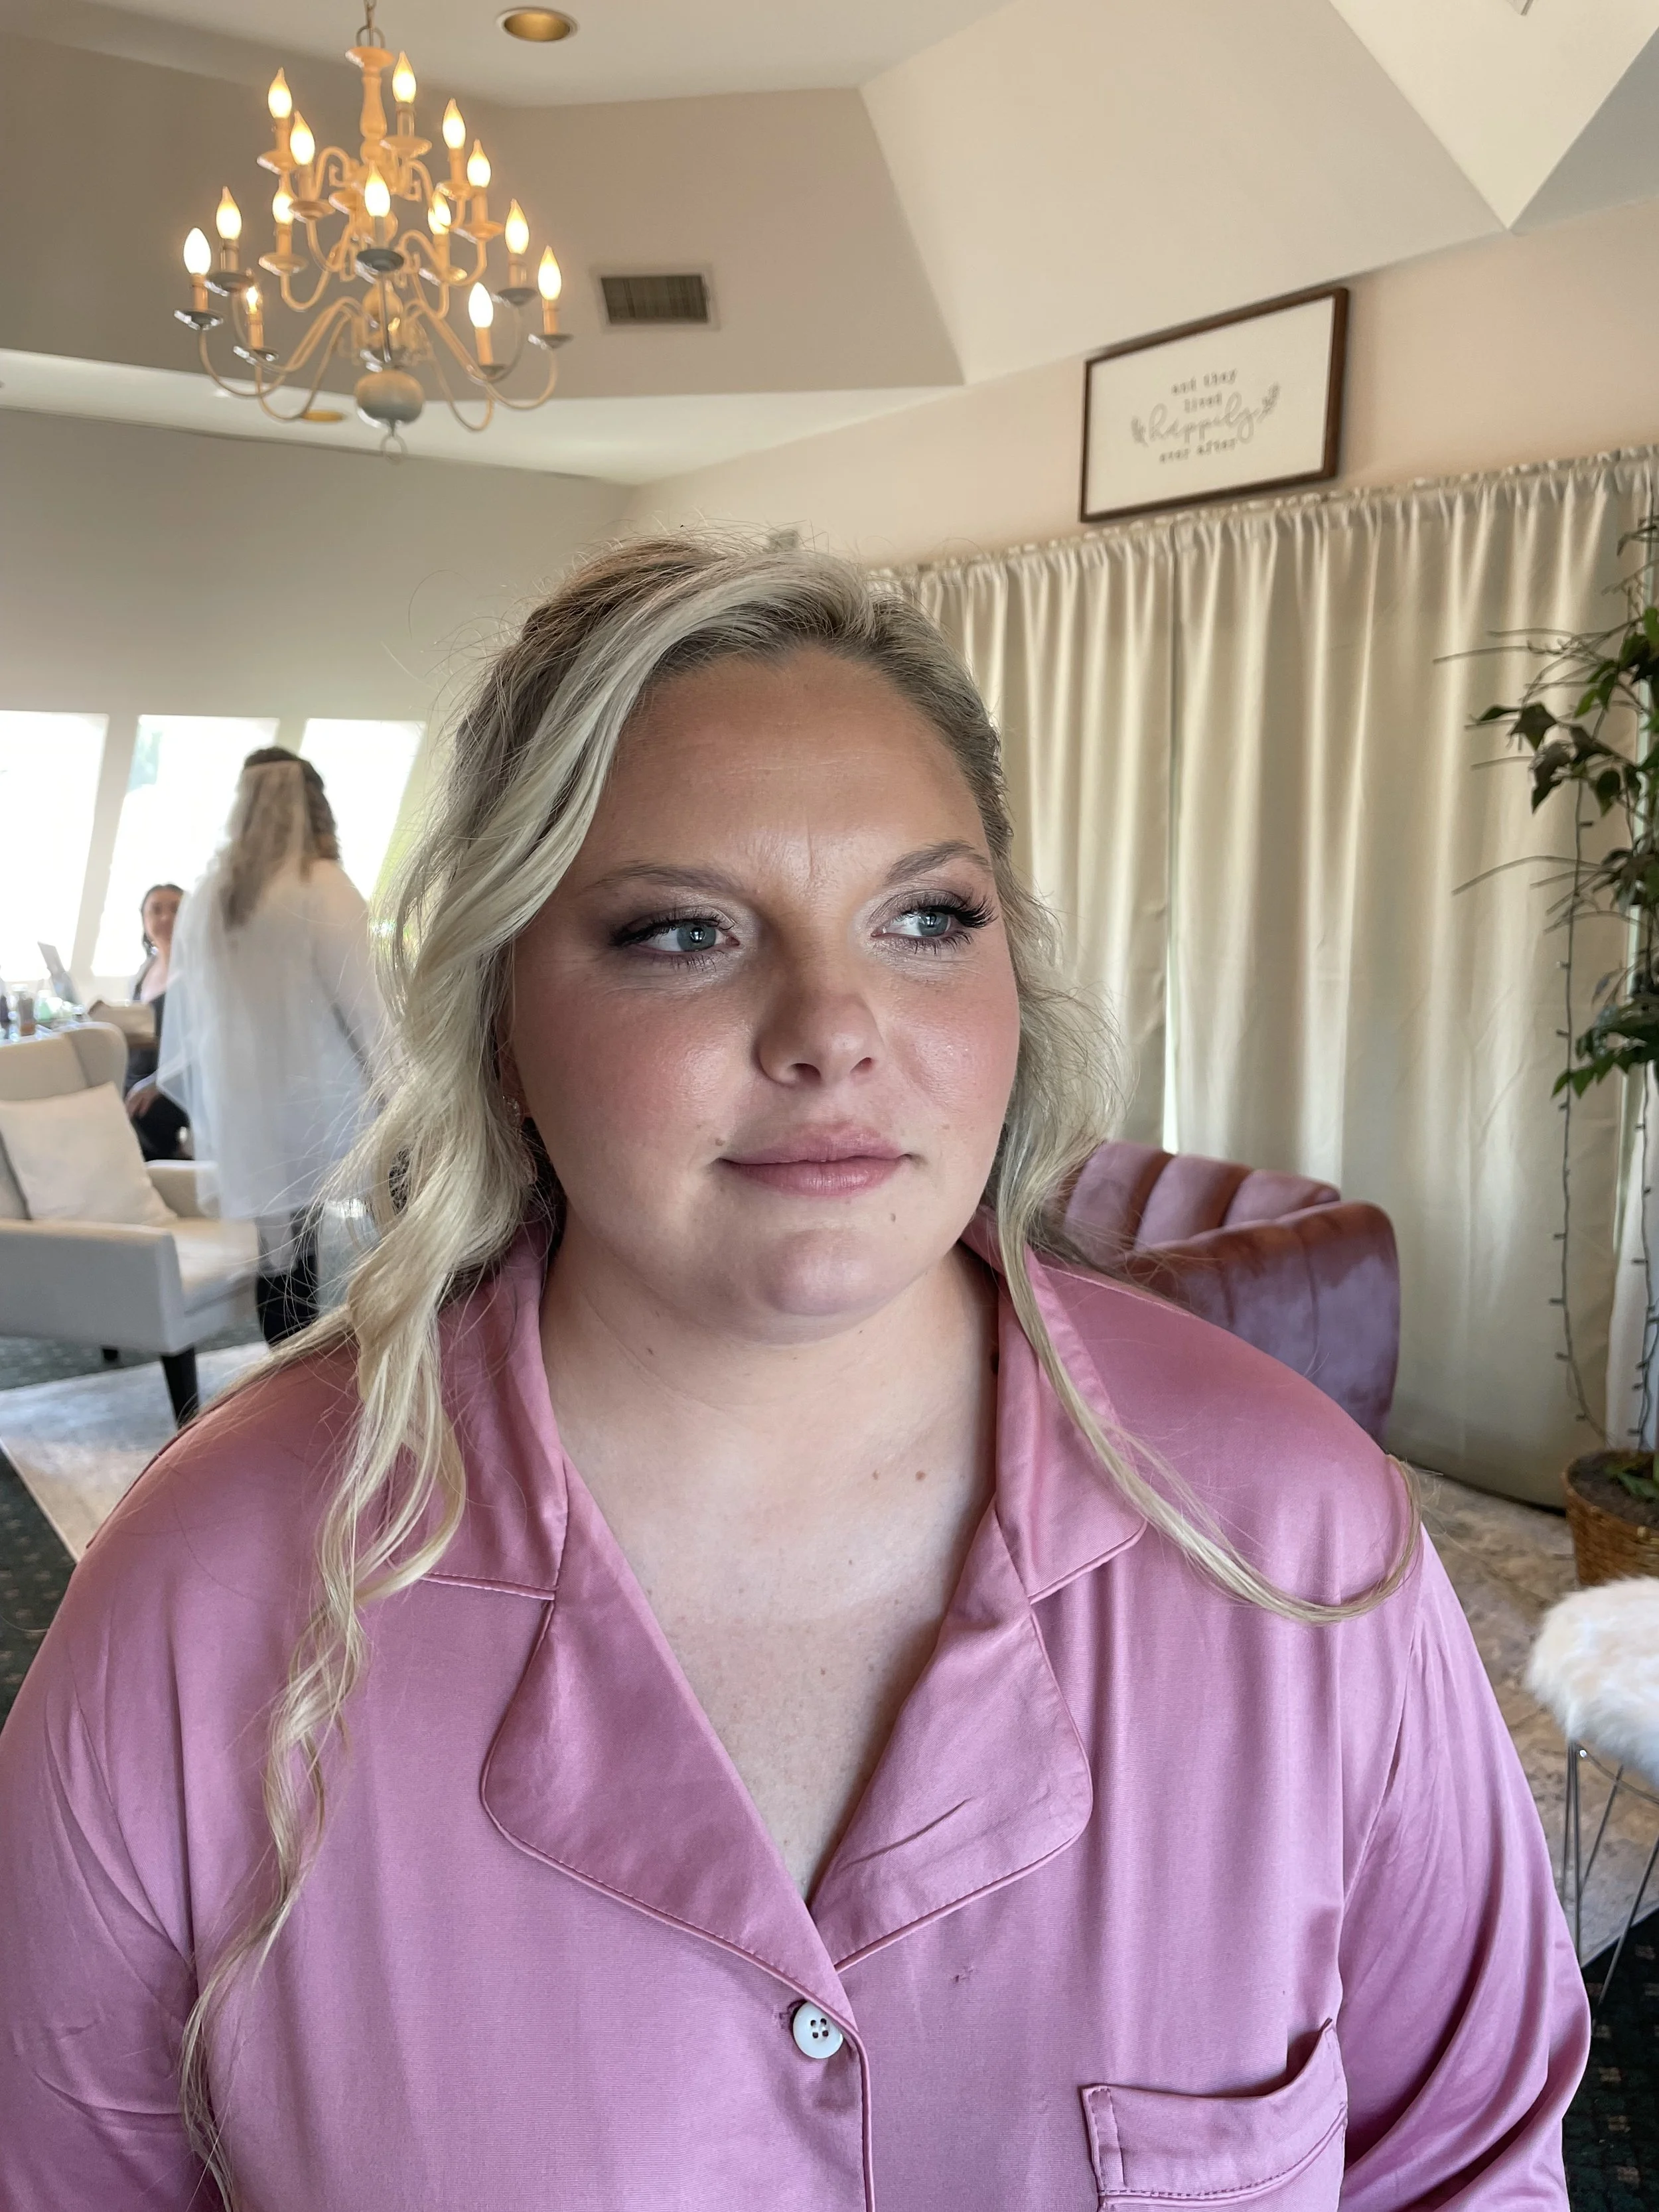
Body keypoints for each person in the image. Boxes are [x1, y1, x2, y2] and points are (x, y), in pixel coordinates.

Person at [0, 539, 1587, 2209]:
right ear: (500, 1028)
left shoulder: (1291, 1532)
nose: (833, 1024)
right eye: (683, 932)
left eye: (925, 917)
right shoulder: (209, 1600)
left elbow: (1466, 2162)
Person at [154, 747, 386, 1345]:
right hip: (319, 1105)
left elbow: (197, 1014)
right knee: (335, 1253)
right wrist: (404, 1093)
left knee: (278, 1256)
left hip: (245, 1107)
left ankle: (281, 1364)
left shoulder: (213, 896)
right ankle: (317, 1379)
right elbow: (367, 1007)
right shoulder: (321, 885)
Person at [123, 881, 190, 1161]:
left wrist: (157, 1083)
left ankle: (170, 1171)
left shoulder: (197, 973)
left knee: (142, 1115)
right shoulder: (144, 970)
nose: (165, 918)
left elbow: (205, 1044)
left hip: (179, 1080)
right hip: (138, 1073)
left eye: (175, 909)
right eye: (156, 910)